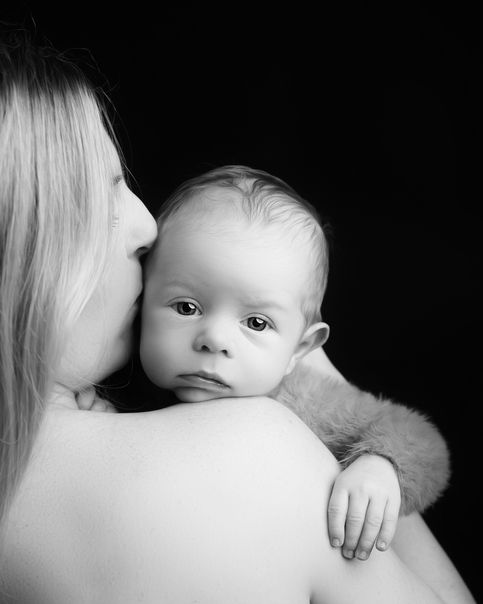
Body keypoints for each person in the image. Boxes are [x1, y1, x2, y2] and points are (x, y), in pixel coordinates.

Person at [0, 31, 475, 603]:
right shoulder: (257, 450)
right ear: (26, 249)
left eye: (254, 321)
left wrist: (379, 467)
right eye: (105, 197)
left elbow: (411, 442)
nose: (146, 227)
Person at [139, 165, 450, 561]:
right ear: (142, 298)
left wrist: (381, 467)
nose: (214, 339)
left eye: (256, 323)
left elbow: (422, 443)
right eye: (187, 307)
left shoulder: (302, 398)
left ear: (300, 349)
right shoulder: (123, 382)